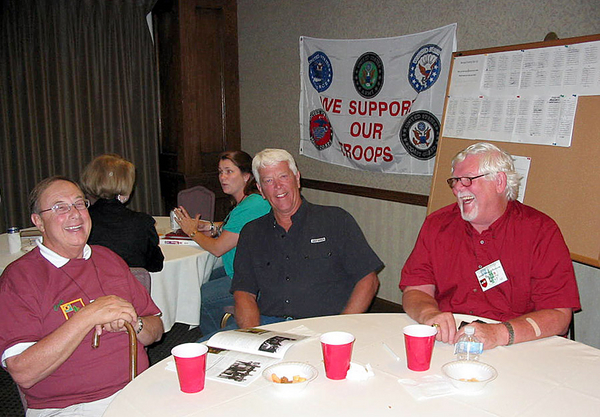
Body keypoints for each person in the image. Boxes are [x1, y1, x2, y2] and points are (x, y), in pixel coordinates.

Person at [0, 176, 163, 416]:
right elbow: (23, 372)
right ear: (39, 222)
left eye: (79, 204)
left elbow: (156, 330)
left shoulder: (109, 258)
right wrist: (87, 316)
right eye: (60, 207)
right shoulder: (20, 277)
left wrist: (134, 323)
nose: (75, 214)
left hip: (137, 391)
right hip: (72, 407)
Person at [400, 142, 581, 350]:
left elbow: (559, 315)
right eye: (455, 181)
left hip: (518, 345)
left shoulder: (540, 231)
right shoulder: (437, 224)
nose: (458, 188)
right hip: (449, 341)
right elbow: (415, 288)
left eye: (467, 180)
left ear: (499, 182)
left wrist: (499, 333)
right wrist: (429, 314)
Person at [230, 148, 384, 328]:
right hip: (269, 325)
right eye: (268, 181)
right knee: (207, 348)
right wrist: (253, 335)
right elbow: (243, 292)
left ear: (297, 178)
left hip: (324, 325)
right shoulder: (251, 232)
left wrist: (342, 328)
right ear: (261, 190)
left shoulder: (335, 220)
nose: (278, 186)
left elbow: (368, 279)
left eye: (283, 177)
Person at [173, 150, 271, 336]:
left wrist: (192, 230)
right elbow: (233, 227)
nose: (222, 177)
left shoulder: (252, 205)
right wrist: (211, 227)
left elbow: (218, 248)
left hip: (253, 278)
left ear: (246, 176)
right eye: (220, 172)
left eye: (229, 171)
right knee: (204, 276)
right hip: (243, 268)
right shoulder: (250, 201)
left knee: (199, 295)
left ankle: (218, 337)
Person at [81, 154, 164, 272]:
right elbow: (155, 266)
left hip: (89, 288)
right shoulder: (142, 222)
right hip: (129, 288)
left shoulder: (81, 221)